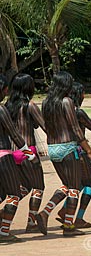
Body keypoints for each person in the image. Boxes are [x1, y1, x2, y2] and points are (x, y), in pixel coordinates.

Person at [35, 71, 91, 236]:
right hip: (68, 147)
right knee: (75, 188)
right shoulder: (67, 102)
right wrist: (89, 152)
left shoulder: (47, 102)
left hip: (53, 148)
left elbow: (46, 127)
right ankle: (69, 226)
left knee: (67, 185)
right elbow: (76, 129)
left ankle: (45, 212)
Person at [58, 82, 91, 228]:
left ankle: (63, 210)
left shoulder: (61, 111)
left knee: (75, 184)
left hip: (64, 150)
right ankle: (78, 217)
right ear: (78, 95)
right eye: (83, 93)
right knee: (89, 183)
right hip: (79, 151)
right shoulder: (78, 112)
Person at [5, 73, 46, 232]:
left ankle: (5, 213)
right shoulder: (29, 106)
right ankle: (31, 222)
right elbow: (43, 126)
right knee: (38, 187)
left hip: (11, 152)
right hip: (28, 151)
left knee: (23, 187)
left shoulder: (7, 106)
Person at [0, 74, 36, 243]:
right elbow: (14, 134)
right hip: (3, 155)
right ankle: (4, 232)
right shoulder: (1, 110)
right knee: (14, 194)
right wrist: (29, 153)